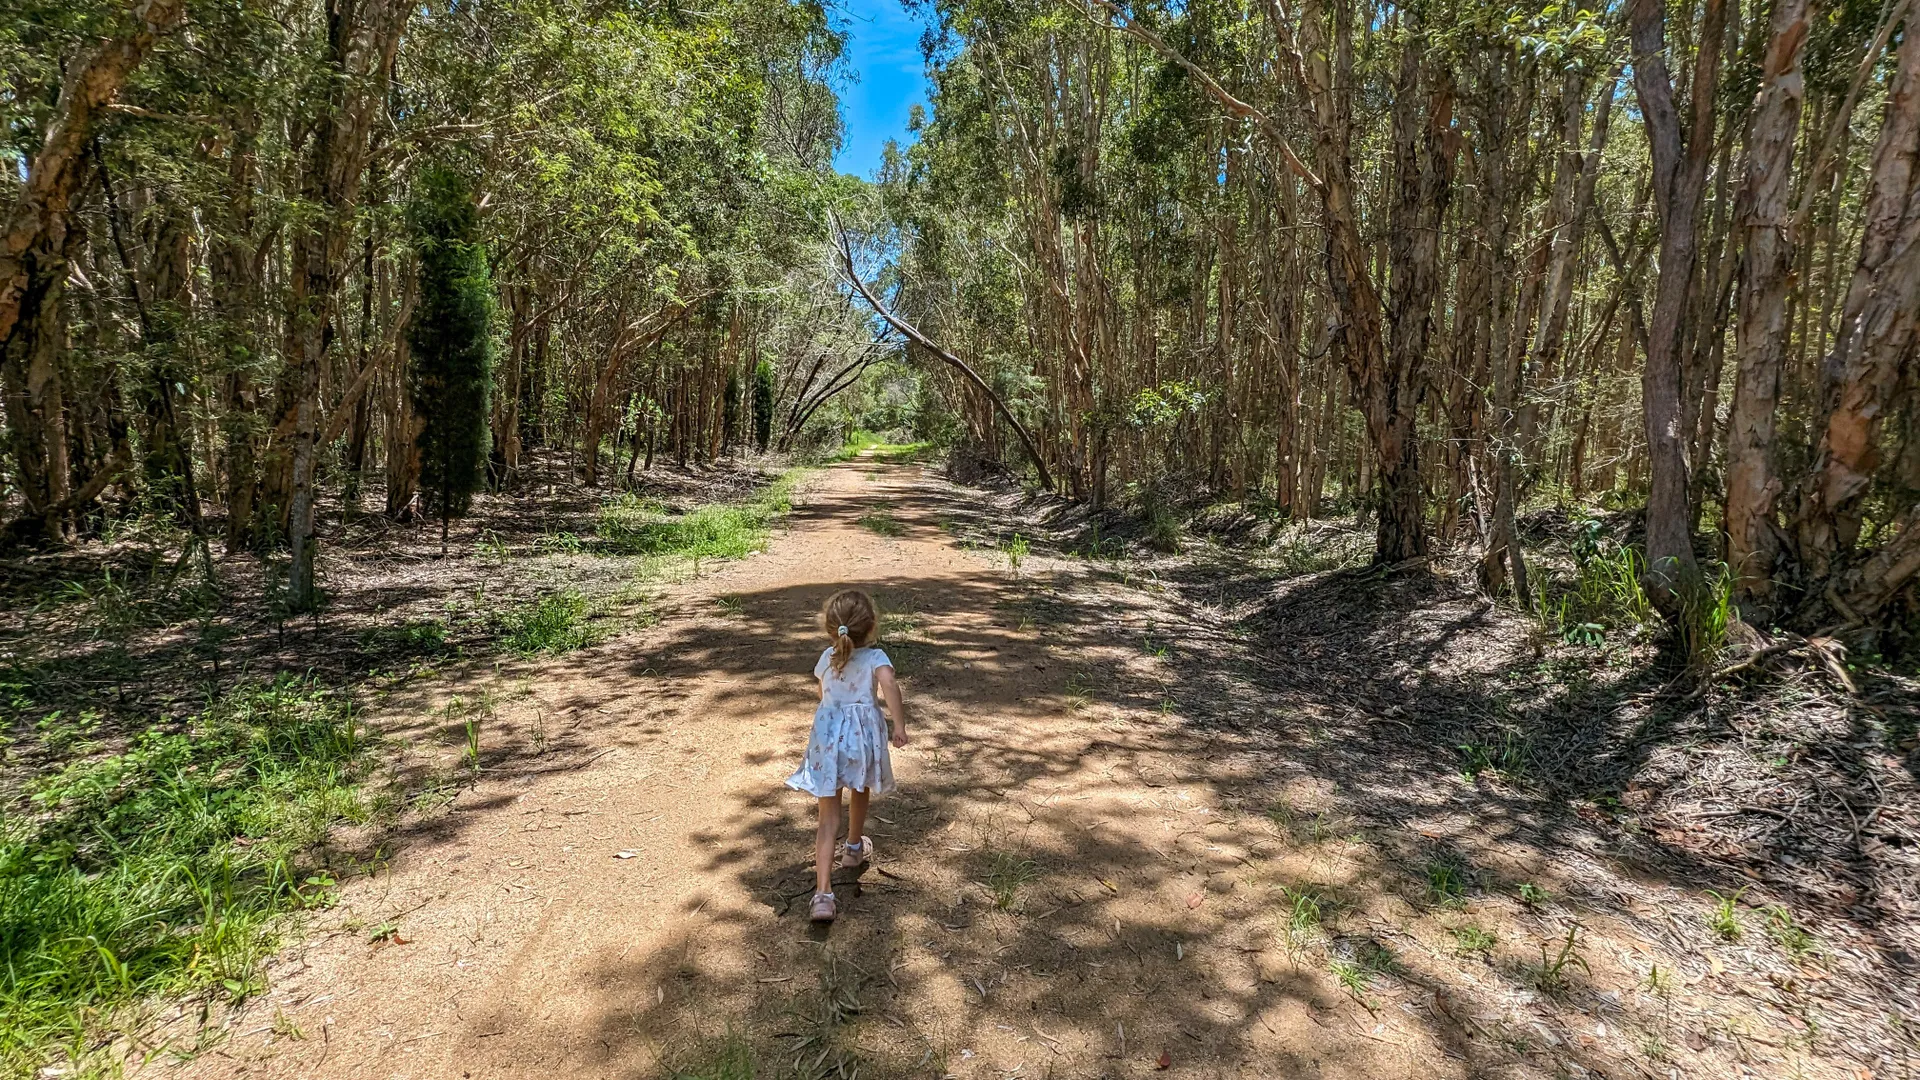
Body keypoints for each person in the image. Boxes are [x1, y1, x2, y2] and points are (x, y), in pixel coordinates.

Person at [786, 588, 908, 923]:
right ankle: (853, 848)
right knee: (860, 788)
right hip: (859, 743)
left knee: (826, 819)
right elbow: (889, 683)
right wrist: (898, 725)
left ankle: (823, 894)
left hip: (827, 742)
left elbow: (822, 694)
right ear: (871, 628)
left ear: (831, 629)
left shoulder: (827, 658)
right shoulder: (875, 658)